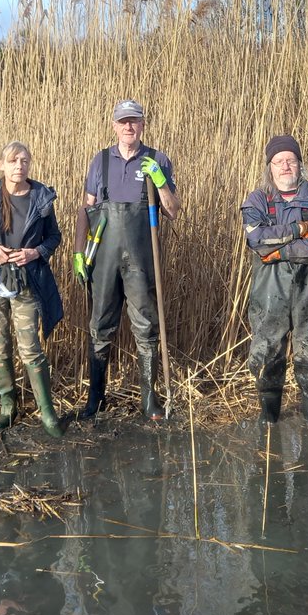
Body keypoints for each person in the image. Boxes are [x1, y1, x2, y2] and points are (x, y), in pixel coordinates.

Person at [74, 99, 181, 421]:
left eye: (134, 121)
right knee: (100, 326)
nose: (128, 127)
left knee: (146, 326)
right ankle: (96, 399)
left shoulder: (157, 159)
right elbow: (86, 209)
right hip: (104, 257)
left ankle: (150, 400)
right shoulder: (101, 161)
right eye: (123, 122)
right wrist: (79, 251)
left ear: (142, 124)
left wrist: (160, 181)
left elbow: (173, 212)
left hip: (140, 257)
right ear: (114, 125)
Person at [0, 141, 66, 437]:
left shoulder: (41, 197)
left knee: (30, 348)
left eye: (24, 160)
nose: (19, 166)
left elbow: (54, 237)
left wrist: (35, 253)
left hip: (28, 281)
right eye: (13, 161)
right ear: (2, 165)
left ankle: (47, 411)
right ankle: (8, 406)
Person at [240, 135, 308, 424]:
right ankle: (269, 425)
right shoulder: (257, 199)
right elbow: (257, 240)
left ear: (300, 165)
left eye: (291, 160)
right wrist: (299, 229)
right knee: (267, 355)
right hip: (270, 291)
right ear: (269, 167)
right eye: (279, 161)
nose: (285, 166)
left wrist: (279, 252)